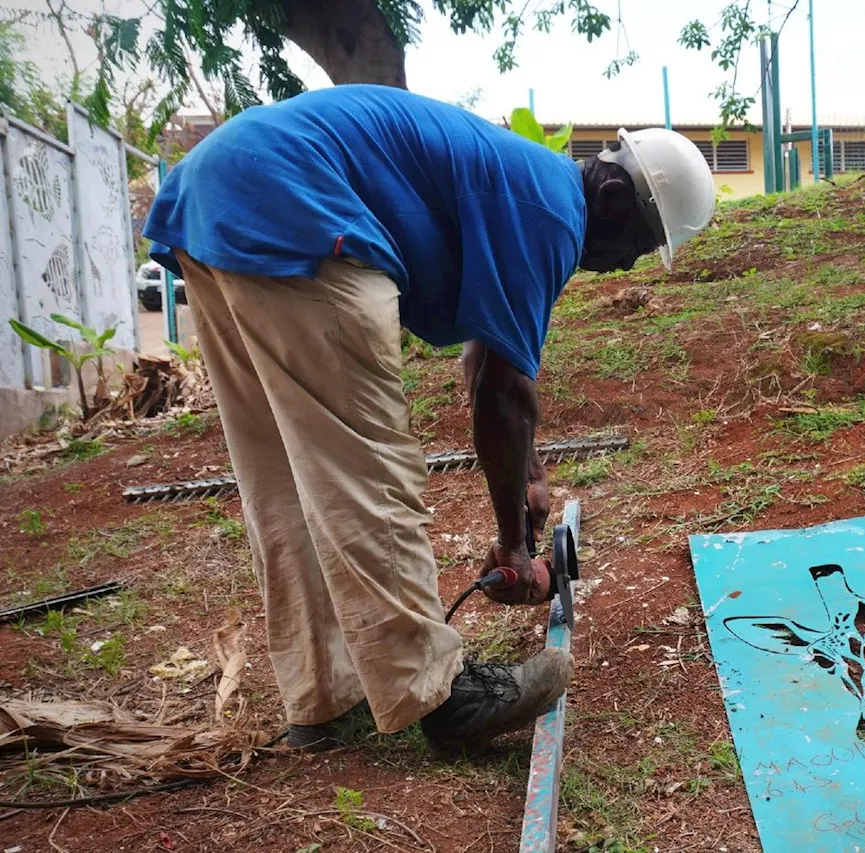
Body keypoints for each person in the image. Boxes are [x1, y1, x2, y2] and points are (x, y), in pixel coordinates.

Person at [143, 84, 715, 752]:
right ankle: (440, 693)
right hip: (300, 207)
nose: (622, 265)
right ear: (613, 201)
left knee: (287, 478)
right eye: (638, 248)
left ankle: (322, 696)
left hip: (225, 195)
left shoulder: (524, 184)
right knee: (371, 467)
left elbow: (488, 364)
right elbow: (502, 397)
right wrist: (515, 547)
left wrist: (528, 477)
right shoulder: (555, 214)